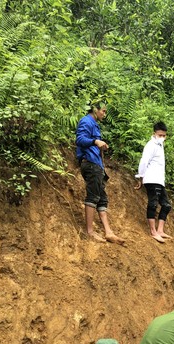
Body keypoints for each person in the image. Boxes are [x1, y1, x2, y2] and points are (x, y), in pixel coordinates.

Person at [75, 102, 125, 244]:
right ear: (95, 110)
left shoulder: (94, 124)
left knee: (102, 198)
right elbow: (79, 139)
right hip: (90, 164)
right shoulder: (86, 121)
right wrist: (96, 141)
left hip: (96, 165)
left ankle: (108, 232)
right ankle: (89, 231)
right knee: (93, 196)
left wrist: (99, 145)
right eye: (103, 111)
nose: (104, 114)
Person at [135, 121, 171, 243]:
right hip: (151, 179)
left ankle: (160, 230)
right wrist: (140, 177)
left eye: (164, 135)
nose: (162, 137)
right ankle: (153, 231)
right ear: (154, 133)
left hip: (159, 180)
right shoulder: (151, 145)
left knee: (166, 205)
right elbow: (144, 162)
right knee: (153, 203)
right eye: (160, 135)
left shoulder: (160, 146)